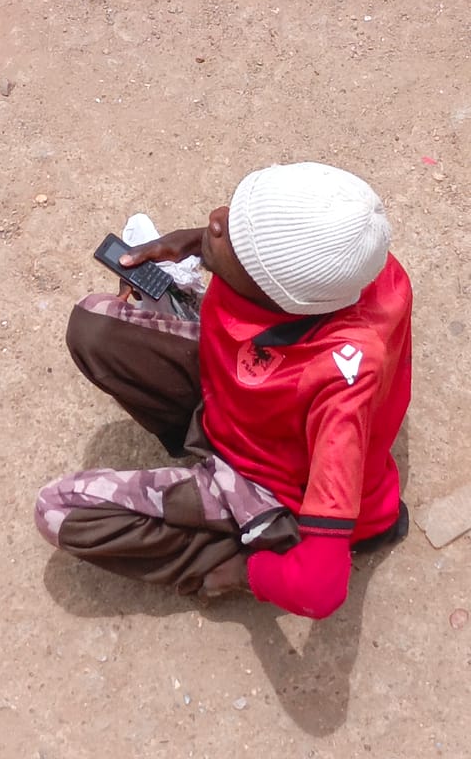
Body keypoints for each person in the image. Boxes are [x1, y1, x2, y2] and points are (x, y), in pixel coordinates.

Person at [35, 162, 412, 619]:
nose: (215, 219)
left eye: (235, 239)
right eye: (233, 218)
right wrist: (201, 245)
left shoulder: (342, 387)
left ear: (277, 298)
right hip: (244, 396)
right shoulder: (354, 262)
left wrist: (247, 575)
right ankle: (202, 447)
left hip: (270, 486)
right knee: (94, 325)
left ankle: (234, 545)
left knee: (58, 510)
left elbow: (320, 588)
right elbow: (272, 258)